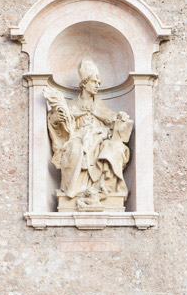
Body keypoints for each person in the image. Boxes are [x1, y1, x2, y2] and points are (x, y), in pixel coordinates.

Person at [43, 58, 134, 211]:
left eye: (99, 82)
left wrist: (121, 117)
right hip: (77, 138)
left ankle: (102, 189)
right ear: (84, 83)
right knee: (75, 148)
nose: (98, 85)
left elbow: (111, 118)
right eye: (94, 81)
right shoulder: (72, 105)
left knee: (111, 147)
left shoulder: (100, 105)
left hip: (99, 138)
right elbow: (57, 121)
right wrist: (54, 119)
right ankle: (75, 190)